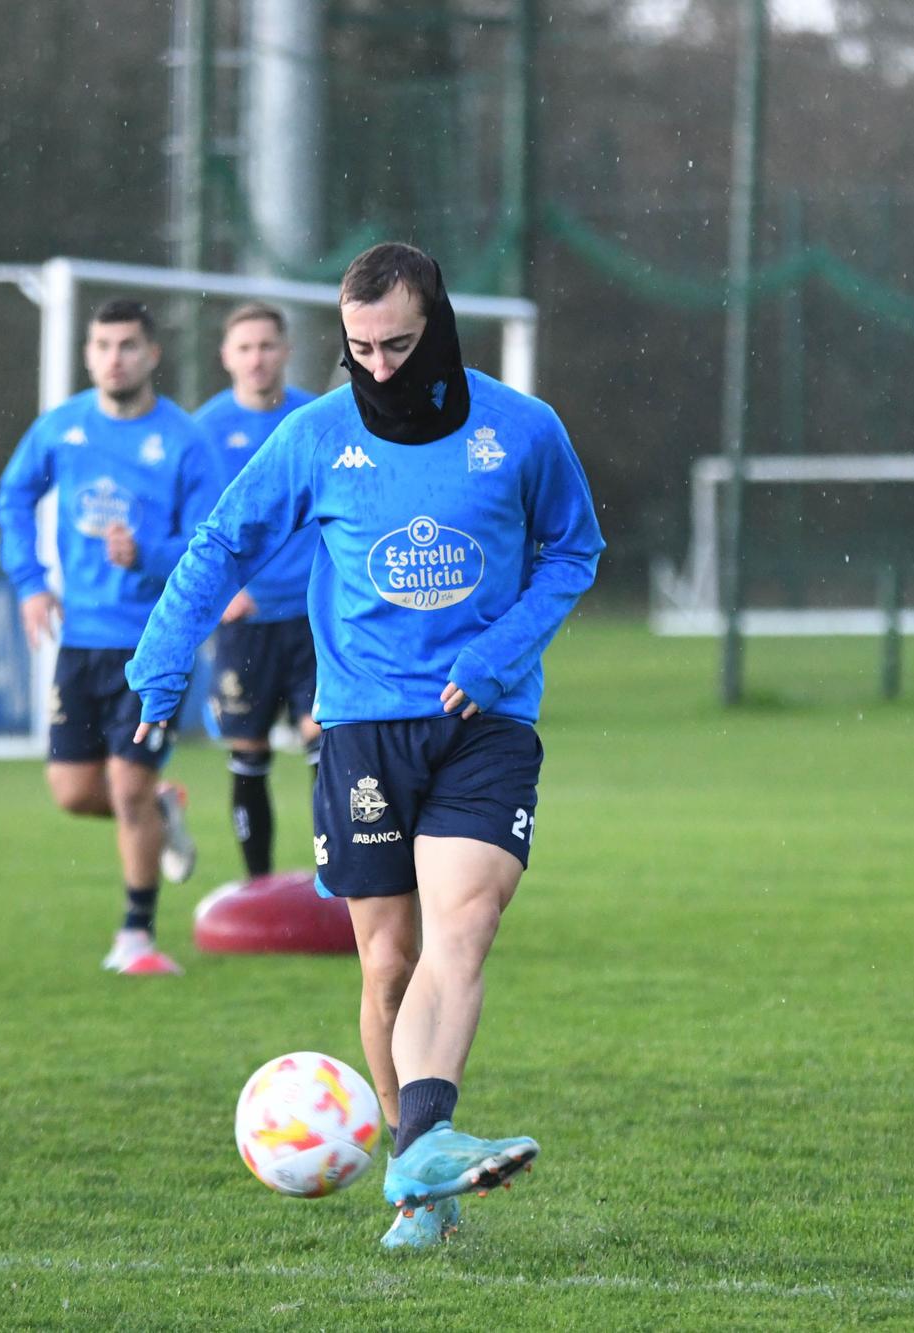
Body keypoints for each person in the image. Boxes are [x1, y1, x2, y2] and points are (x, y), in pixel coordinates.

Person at [128, 243, 603, 1248]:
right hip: (358, 726)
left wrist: (497, 650)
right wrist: (161, 663)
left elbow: (573, 547)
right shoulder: (317, 435)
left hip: (486, 720)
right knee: (386, 960)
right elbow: (222, 541)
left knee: (461, 925)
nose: (379, 367)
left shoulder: (522, 430)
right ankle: (416, 1176)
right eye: (358, 350)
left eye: (395, 344)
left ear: (436, 326)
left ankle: (422, 1146)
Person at [0, 299, 222, 974]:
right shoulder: (62, 429)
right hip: (82, 638)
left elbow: (211, 546)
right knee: (72, 790)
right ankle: (160, 807)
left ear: (152, 355)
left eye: (127, 345)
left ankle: (137, 936)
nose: (112, 357)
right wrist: (31, 582)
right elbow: (11, 496)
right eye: (101, 345)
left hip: (154, 642)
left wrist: (147, 553)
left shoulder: (183, 442)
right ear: (88, 354)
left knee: (123, 784)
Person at [193, 302, 320, 881]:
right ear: (226, 356)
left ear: (286, 351)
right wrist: (219, 592)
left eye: (267, 346)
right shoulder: (205, 432)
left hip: (315, 615)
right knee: (248, 753)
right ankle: (257, 884)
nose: (257, 358)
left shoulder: (314, 421)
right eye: (245, 347)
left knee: (328, 744)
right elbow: (186, 523)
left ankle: (340, 879)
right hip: (244, 620)